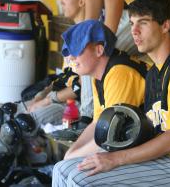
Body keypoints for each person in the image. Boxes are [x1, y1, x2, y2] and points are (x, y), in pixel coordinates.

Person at [52, 0, 170, 187]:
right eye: (132, 23)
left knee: (81, 179)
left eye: (143, 23)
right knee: (62, 169)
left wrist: (116, 159)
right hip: (164, 158)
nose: (134, 31)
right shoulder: (155, 72)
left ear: (165, 26)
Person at [55, 19, 146, 161]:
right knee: (67, 164)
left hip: (152, 147)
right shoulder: (98, 75)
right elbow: (97, 122)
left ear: (99, 50)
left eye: (77, 50)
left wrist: (72, 158)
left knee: (70, 169)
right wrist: (70, 154)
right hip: (131, 142)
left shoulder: (119, 73)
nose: (71, 57)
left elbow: (112, 133)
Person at [16, 0, 93, 127]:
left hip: (75, 104)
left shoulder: (90, 37)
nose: (61, 2)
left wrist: (48, 99)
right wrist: (42, 94)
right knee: (9, 112)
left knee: (22, 124)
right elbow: (65, 76)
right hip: (59, 97)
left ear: (81, 1)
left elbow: (81, 86)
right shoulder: (72, 34)